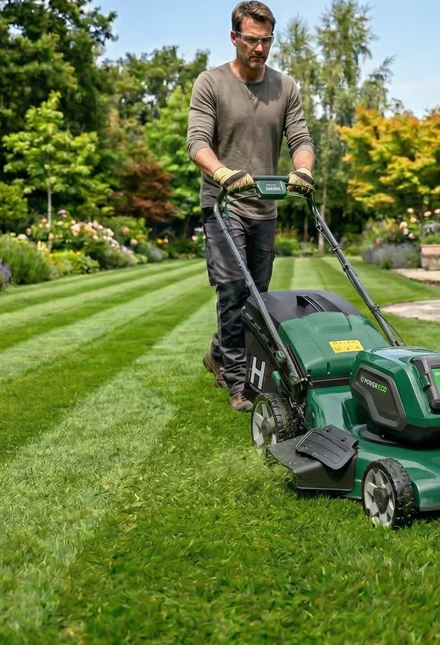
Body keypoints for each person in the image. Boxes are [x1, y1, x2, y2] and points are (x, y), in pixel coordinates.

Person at [186, 1, 315, 412]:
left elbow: (301, 139)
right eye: (252, 40)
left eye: (266, 41)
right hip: (223, 205)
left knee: (257, 296)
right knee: (232, 291)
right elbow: (197, 143)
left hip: (265, 205)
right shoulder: (211, 83)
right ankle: (239, 384)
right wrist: (221, 172)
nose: (259, 49)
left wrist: (304, 171)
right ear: (234, 37)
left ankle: (219, 353)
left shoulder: (285, 88)